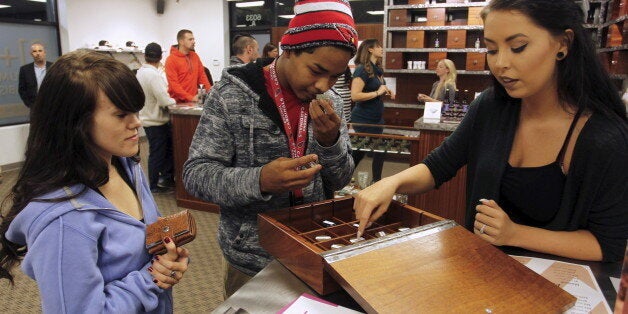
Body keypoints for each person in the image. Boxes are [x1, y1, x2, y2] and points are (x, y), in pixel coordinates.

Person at [354, 0, 627, 262]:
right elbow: (439, 166)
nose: (500, 64)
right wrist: (391, 183)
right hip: (481, 275)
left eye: (518, 47)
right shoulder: (491, 107)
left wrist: (516, 234)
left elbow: (607, 244)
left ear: (563, 44)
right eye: (492, 50)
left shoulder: (603, 137)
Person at [183, 0, 357, 297]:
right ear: (288, 49)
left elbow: (340, 180)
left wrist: (330, 144)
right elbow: (196, 175)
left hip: (316, 248)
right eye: (317, 70)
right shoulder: (231, 96)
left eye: (335, 77)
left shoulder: (333, 103)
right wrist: (260, 179)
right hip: (252, 259)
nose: (323, 85)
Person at [0, 51, 190, 312]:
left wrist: (169, 261)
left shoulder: (126, 166)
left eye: (135, 110)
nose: (137, 122)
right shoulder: (64, 220)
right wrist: (152, 279)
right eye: (121, 114)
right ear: (76, 122)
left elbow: (150, 246)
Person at [349, 39, 395, 183]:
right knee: (366, 151)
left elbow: (376, 88)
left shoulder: (376, 70)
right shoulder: (361, 69)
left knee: (377, 151)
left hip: (376, 118)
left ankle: (375, 182)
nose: (382, 49)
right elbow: (355, 95)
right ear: (370, 49)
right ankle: (343, 179)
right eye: (379, 46)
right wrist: (377, 92)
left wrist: (386, 91)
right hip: (363, 118)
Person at [137, 42, 177, 193]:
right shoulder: (153, 75)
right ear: (161, 57)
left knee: (160, 152)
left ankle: (163, 180)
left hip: (147, 118)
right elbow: (164, 100)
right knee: (158, 154)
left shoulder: (140, 72)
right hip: (156, 121)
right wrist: (177, 101)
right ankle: (154, 185)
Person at [165, 29, 211, 103]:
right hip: (178, 103)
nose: (193, 42)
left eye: (193, 39)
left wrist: (211, 93)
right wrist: (191, 98)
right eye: (190, 39)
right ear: (181, 41)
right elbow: (174, 85)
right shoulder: (171, 60)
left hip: (193, 101)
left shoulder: (195, 56)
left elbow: (202, 77)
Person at [18, 43, 53, 108]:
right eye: (34, 51)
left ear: (44, 52)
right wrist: (30, 104)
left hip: (53, 105)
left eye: (40, 51)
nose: (37, 53)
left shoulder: (54, 66)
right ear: (31, 54)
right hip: (35, 106)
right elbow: (22, 89)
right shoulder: (25, 69)